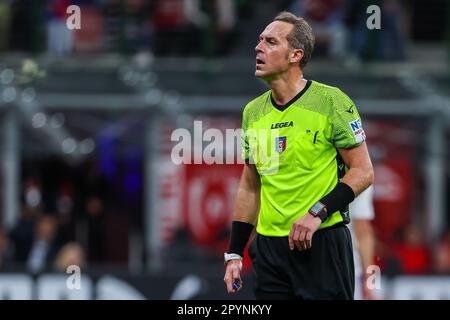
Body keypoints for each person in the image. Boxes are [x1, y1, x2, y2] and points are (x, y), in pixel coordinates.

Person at [223, 11, 374, 299]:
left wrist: (317, 213)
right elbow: (250, 185)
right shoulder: (253, 112)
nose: (258, 47)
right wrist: (234, 252)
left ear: (295, 55)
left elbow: (363, 172)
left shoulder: (331, 101)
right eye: (259, 40)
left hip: (322, 243)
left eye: (270, 42)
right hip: (269, 252)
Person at [348, 185, 376, 300]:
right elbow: (363, 231)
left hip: (304, 259)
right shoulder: (363, 174)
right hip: (346, 267)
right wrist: (371, 282)